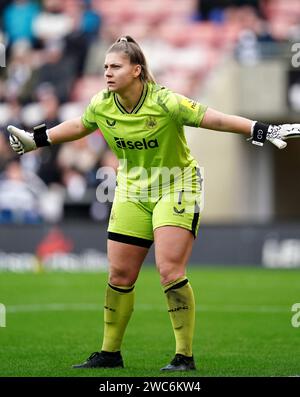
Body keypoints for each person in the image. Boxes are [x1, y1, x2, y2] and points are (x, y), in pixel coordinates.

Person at [6, 35, 300, 371]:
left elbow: (214, 118)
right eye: (104, 66)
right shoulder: (102, 103)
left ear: (136, 70)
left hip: (177, 186)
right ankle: (109, 353)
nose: (107, 72)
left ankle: (183, 356)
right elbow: (79, 125)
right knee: (119, 274)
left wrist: (262, 129)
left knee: (169, 271)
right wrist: (36, 140)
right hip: (133, 191)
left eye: (115, 66)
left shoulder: (165, 102)